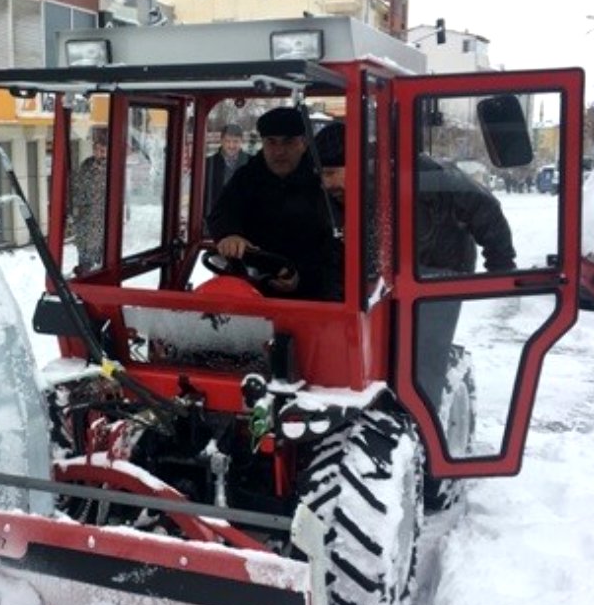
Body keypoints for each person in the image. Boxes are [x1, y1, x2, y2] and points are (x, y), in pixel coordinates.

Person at [313, 121, 516, 403]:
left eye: (332, 173)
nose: (326, 182)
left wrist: (501, 262)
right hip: (382, 276)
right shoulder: (340, 194)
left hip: (435, 274)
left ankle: (423, 415)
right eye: (321, 174)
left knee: (422, 358)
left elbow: (483, 205)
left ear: (358, 164)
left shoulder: (423, 176)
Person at [205, 106, 336, 298]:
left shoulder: (321, 180)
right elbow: (221, 212)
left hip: (314, 293)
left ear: (304, 143)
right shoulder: (247, 176)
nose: (279, 151)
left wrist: (302, 276)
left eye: (288, 142)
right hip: (254, 286)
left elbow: (333, 248)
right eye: (271, 142)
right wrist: (229, 234)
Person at [70, 126, 108, 272]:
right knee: (84, 251)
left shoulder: (113, 168)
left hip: (103, 221)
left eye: (102, 150)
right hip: (85, 219)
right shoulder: (87, 165)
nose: (99, 153)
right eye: (96, 149)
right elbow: (77, 188)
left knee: (100, 256)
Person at [203, 122, 248, 218]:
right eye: (228, 141)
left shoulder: (252, 163)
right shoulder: (208, 164)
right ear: (222, 141)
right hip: (215, 221)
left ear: (241, 141)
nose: (231, 145)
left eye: (235, 141)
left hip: (245, 222)